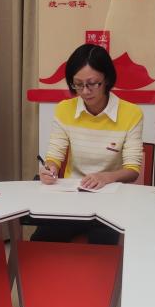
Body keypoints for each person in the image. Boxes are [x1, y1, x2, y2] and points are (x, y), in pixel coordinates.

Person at [34, 43, 144, 245]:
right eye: (78, 84)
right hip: (71, 195)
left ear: (107, 79)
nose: (85, 91)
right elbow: (54, 156)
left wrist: (106, 177)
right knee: (41, 241)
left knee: (103, 246)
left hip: (109, 198)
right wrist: (49, 168)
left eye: (92, 84)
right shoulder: (64, 109)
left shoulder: (131, 113)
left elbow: (132, 170)